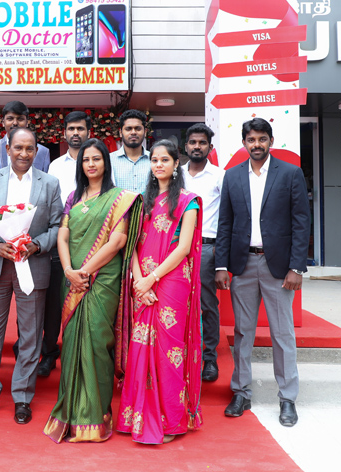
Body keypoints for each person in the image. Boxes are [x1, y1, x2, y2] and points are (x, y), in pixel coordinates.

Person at [43, 139, 137, 443]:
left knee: (97, 342)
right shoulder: (73, 197)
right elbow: (63, 235)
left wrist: (84, 272)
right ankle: (70, 414)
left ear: (106, 163)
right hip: (73, 279)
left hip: (102, 279)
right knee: (72, 342)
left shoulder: (119, 198)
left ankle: (95, 416)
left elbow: (117, 241)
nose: (91, 164)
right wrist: (69, 271)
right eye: (86, 160)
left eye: (97, 159)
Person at [216, 118, 308, 427]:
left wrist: (296, 267)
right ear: (244, 143)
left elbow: (301, 221)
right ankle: (241, 392)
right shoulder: (232, 176)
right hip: (243, 264)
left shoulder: (290, 173)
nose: (257, 144)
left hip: (278, 266)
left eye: (262, 139)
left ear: (271, 141)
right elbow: (225, 223)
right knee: (243, 332)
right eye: (251, 139)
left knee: (282, 333)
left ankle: (287, 397)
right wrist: (222, 265)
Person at [0, 127, 62, 425]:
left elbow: (58, 226)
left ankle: (22, 396)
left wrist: (37, 245)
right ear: (7, 148)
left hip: (32, 266)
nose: (24, 153)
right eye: (18, 147)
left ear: (37, 151)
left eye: (29, 148)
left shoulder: (49, 183)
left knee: (30, 335)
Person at [117, 139, 203, 445]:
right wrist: (139, 281)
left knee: (169, 351)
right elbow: (132, 244)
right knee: (140, 346)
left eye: (165, 160)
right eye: (154, 160)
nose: (159, 165)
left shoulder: (188, 202)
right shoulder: (142, 202)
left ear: (176, 163)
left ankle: (170, 421)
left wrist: (152, 278)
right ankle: (137, 417)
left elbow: (183, 248)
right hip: (143, 281)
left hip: (172, 281)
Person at [40, 110, 91, 378]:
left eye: (80, 129)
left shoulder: (97, 161)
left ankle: (82, 355)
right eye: (71, 129)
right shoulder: (55, 166)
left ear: (89, 132)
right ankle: (49, 352)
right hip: (59, 241)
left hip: (91, 242)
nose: (75, 133)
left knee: (85, 300)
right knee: (53, 301)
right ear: (64, 133)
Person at [182, 123, 224, 382]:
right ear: (185, 146)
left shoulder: (220, 176)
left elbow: (228, 216)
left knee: (206, 303)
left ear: (210, 146)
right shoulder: (176, 174)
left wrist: (222, 254)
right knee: (177, 301)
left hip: (207, 248)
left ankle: (209, 357)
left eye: (202, 143)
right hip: (176, 248)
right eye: (193, 142)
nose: (197, 147)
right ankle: (181, 354)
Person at [0, 100, 50, 172]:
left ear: (27, 122)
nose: (15, 123)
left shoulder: (42, 152)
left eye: (20, 119)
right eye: (10, 119)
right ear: (3, 122)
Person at [110, 109, 151, 194]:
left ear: (145, 132)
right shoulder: (109, 160)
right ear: (120, 132)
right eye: (128, 129)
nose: (133, 132)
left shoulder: (154, 160)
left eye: (138, 129)